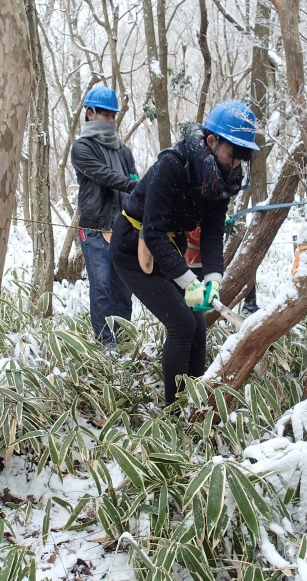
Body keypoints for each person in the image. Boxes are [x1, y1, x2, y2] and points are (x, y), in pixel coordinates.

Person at [110, 100, 259, 405]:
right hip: (132, 247)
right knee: (181, 324)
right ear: (212, 141)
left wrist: (213, 278)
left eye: (241, 159)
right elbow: (152, 230)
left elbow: (213, 232)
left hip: (168, 248)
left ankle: (196, 398)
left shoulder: (222, 181)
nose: (235, 165)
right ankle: (175, 410)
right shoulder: (173, 165)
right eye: (233, 155)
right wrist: (189, 282)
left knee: (197, 322)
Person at [71, 85, 140, 347]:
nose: (110, 120)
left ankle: (123, 341)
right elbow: (104, 176)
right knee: (101, 288)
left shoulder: (123, 150)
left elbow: (132, 177)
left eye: (113, 116)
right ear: (90, 113)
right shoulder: (82, 147)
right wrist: (135, 184)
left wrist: (140, 188)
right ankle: (105, 343)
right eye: (105, 115)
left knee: (123, 288)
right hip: (94, 228)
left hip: (123, 227)